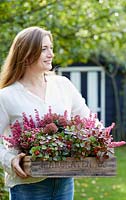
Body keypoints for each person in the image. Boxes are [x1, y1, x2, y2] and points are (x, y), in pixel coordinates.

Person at [0, 26, 101, 200]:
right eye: (44, 49)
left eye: (51, 48)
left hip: (64, 181)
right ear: (26, 53)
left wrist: (101, 141)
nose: (51, 54)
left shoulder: (63, 85)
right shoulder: (6, 95)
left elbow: (88, 119)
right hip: (27, 186)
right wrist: (9, 159)